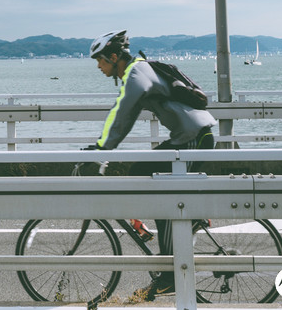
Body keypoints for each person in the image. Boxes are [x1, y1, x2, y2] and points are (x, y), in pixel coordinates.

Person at [86, 29, 217, 302]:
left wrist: (101, 151)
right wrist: (104, 149)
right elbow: (126, 114)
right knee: (139, 173)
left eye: (100, 60)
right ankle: (180, 224)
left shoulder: (135, 74)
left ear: (113, 57)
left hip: (192, 139)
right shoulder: (139, 71)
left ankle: (170, 276)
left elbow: (123, 113)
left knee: (165, 198)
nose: (98, 66)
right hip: (190, 137)